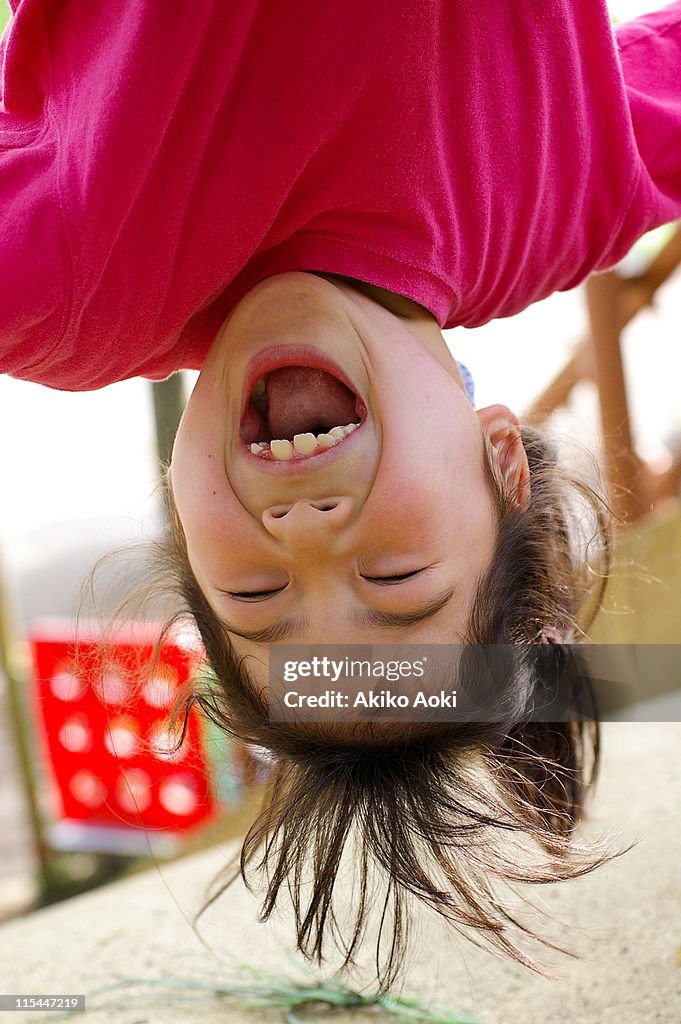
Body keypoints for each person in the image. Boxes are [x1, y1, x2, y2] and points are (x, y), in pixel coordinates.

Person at [1, 0, 680, 988]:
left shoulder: (58, 286)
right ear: (501, 462)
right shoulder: (574, 188)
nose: (305, 532)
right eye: (396, 577)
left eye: (258, 597)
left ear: (181, 513)